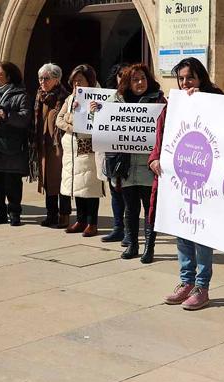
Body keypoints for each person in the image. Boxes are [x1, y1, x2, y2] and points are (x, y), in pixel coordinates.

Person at [148, 57, 224, 310]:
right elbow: (161, 137)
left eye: (189, 77)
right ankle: (186, 282)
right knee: (182, 230)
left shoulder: (216, 100)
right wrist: (155, 159)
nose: (185, 83)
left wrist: (202, 100)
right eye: (180, 78)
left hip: (203, 180)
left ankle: (202, 287)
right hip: (178, 181)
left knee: (200, 234)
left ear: (200, 77)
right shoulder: (173, 106)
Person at [100, 63, 165, 262]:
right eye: (135, 79)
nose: (140, 83)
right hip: (125, 165)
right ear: (128, 82)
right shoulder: (116, 101)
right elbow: (103, 126)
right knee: (131, 208)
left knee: (149, 208)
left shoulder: (159, 101)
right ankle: (133, 245)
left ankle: (149, 248)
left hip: (148, 165)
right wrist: (96, 111)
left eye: (143, 79)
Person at [0, 61, 31, 226]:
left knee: (12, 182)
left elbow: (25, 118)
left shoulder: (20, 95)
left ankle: (15, 213)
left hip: (11, 146)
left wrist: (7, 115)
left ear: (9, 77)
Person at [55, 64, 103, 237]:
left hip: (87, 147)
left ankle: (92, 222)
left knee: (90, 186)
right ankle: (80, 219)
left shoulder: (98, 99)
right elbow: (58, 120)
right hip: (71, 149)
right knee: (77, 187)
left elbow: (96, 122)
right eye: (74, 82)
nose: (76, 85)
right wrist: (71, 122)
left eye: (80, 81)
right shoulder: (70, 99)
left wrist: (74, 120)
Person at [33, 63, 71, 228]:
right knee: (47, 181)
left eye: (46, 78)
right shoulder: (39, 96)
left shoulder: (65, 97)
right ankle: (51, 214)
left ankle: (64, 214)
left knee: (61, 181)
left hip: (59, 145)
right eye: (40, 78)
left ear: (56, 79)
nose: (42, 81)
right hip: (44, 144)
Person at [99, 63, 130, 246]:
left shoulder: (137, 98)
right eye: (120, 75)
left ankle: (129, 231)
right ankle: (118, 228)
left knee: (130, 196)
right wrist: (95, 111)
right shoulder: (110, 99)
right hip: (113, 154)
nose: (122, 78)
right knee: (116, 194)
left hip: (133, 156)